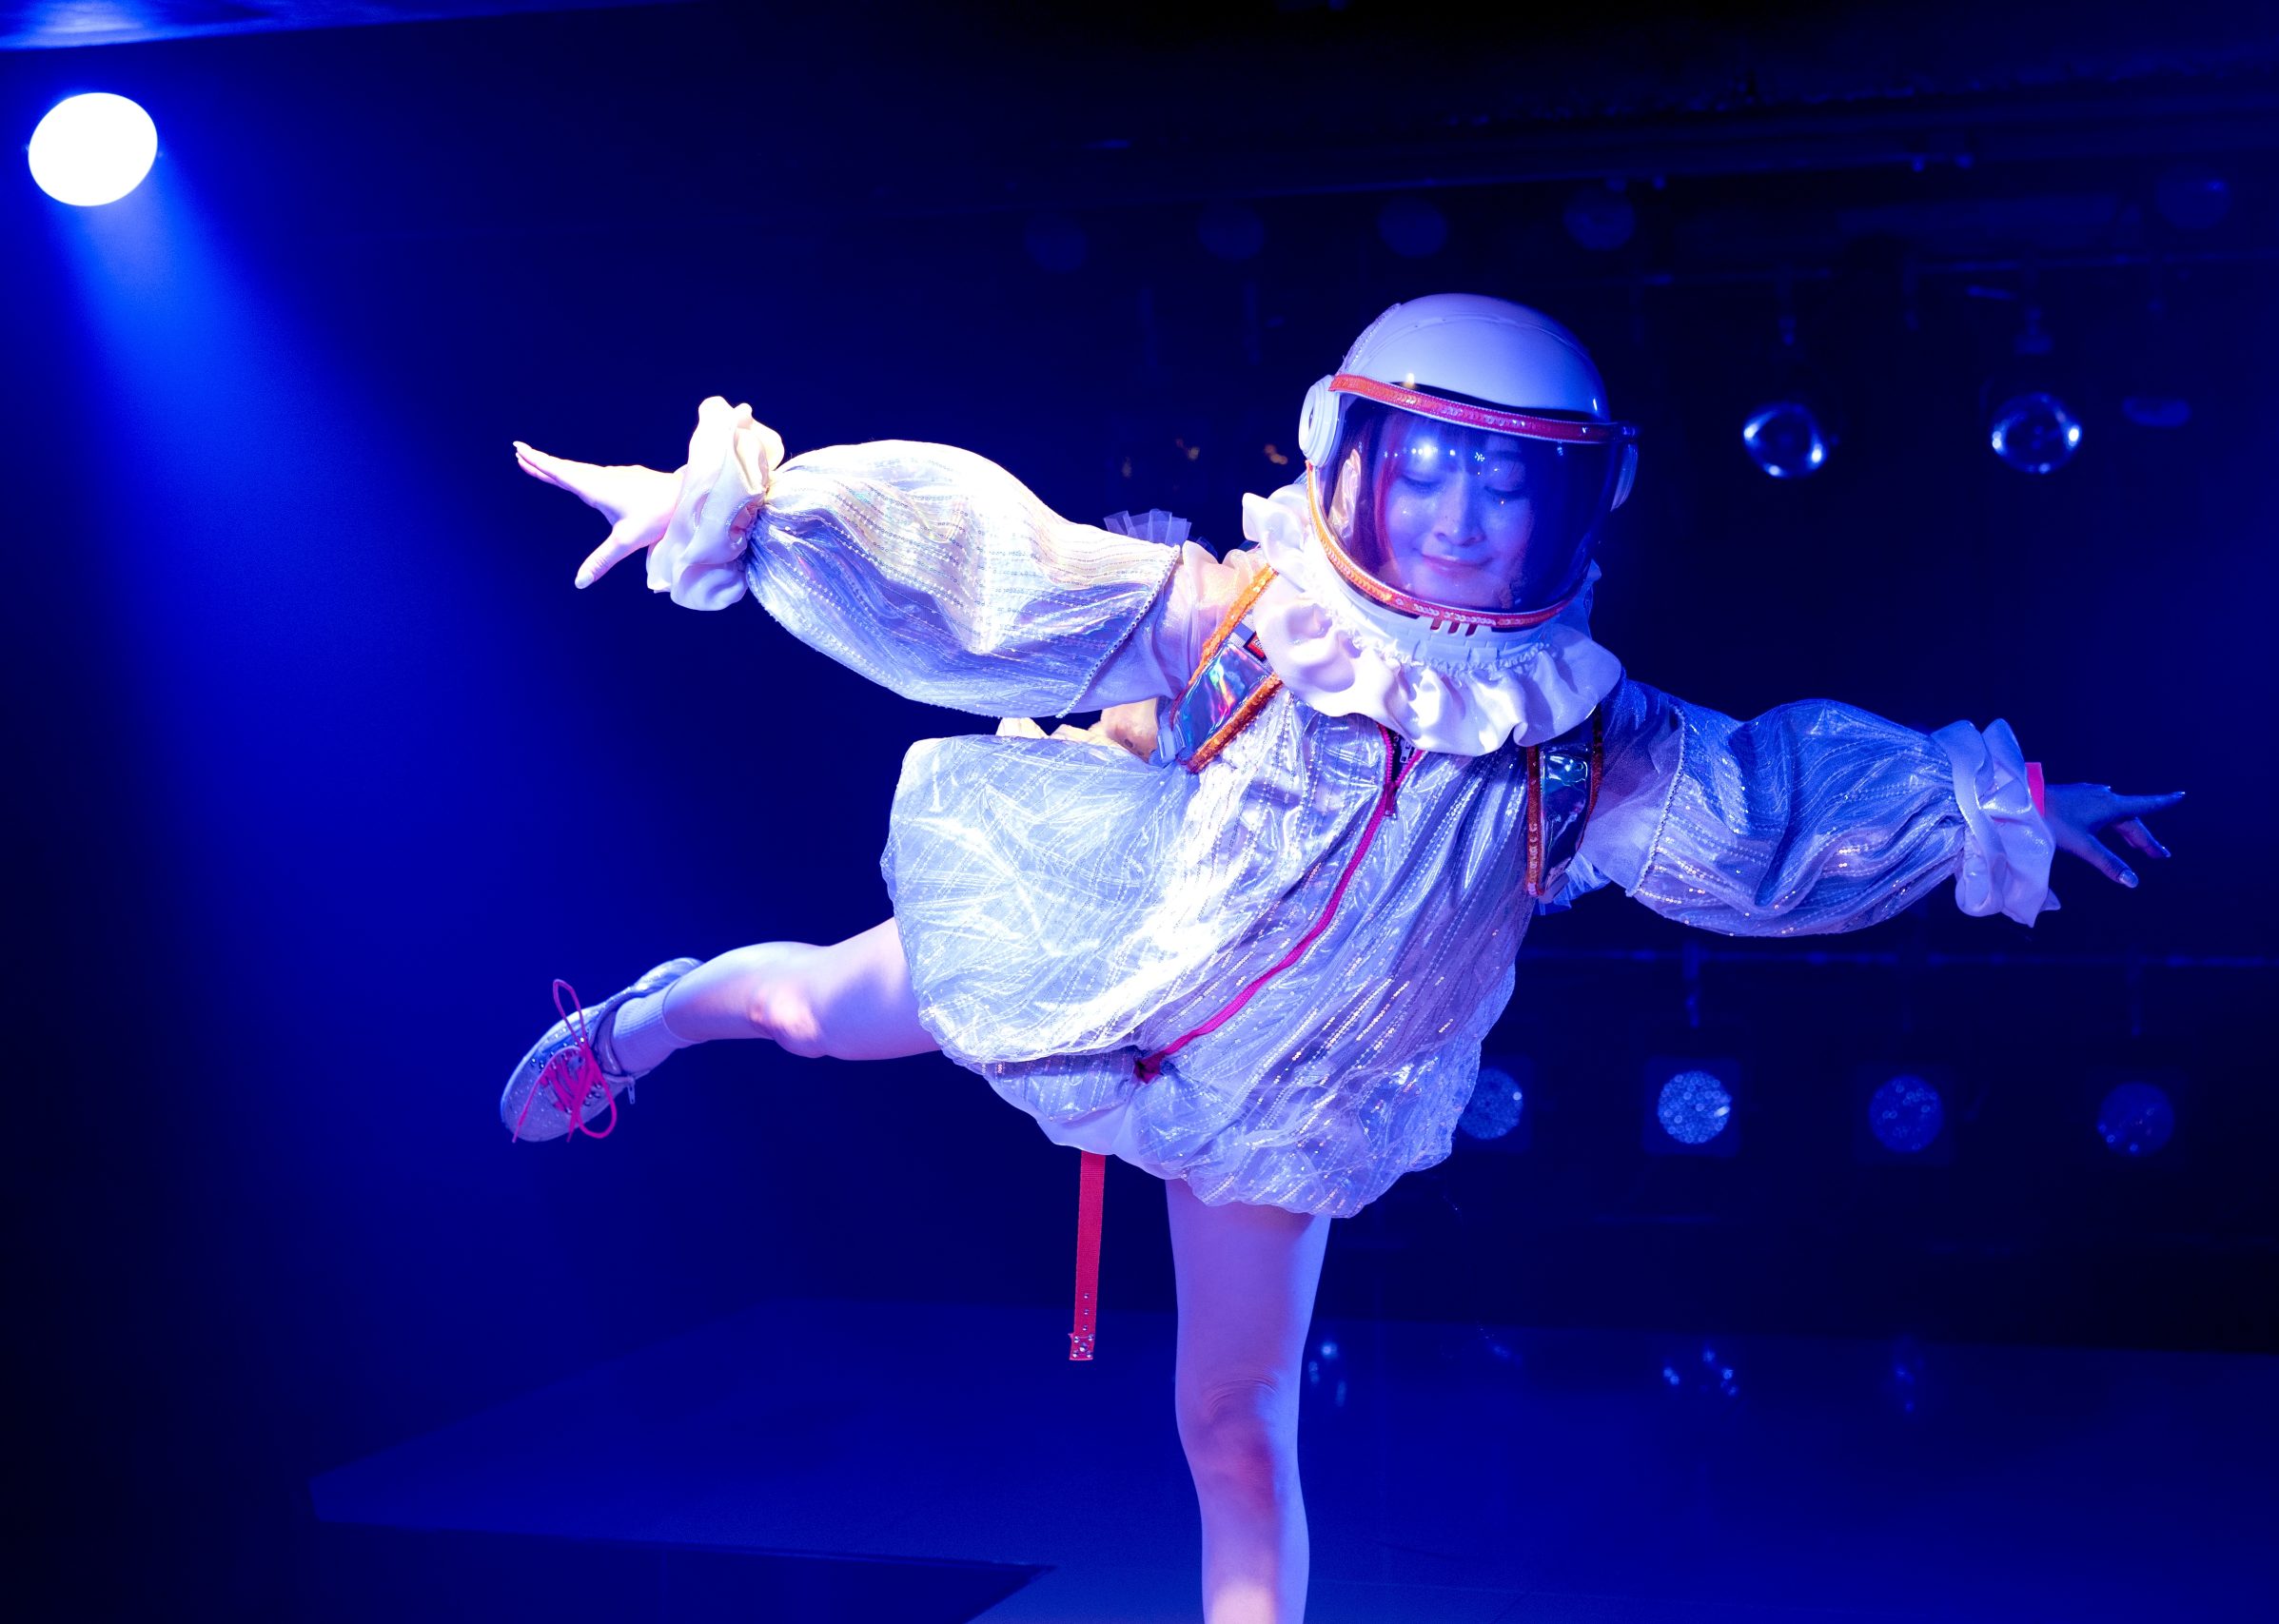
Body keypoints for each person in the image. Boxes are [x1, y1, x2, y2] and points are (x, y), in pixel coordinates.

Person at [500, 293, 2180, 1624]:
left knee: (1236, 1427)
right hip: (1089, 950)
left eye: (1506, 481)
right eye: (1428, 466)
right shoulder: (1238, 614)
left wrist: (1992, 802)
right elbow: (989, 576)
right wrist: (748, 513)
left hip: (1279, 1098)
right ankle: (645, 1023)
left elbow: (1769, 811)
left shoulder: (1580, 735)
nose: (1457, 514)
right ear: (1348, 452)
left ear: (1576, 498)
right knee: (803, 1009)